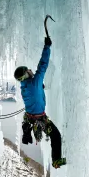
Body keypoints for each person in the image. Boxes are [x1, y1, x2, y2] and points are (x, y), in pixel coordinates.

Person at [13, 37, 66, 169]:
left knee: (40, 129)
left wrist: (39, 87)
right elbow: (43, 65)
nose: (30, 70)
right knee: (55, 135)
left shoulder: (24, 86)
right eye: (28, 70)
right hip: (38, 118)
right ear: (26, 75)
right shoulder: (35, 82)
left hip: (30, 117)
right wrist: (47, 47)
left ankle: (27, 132)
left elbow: (34, 91)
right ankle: (56, 161)